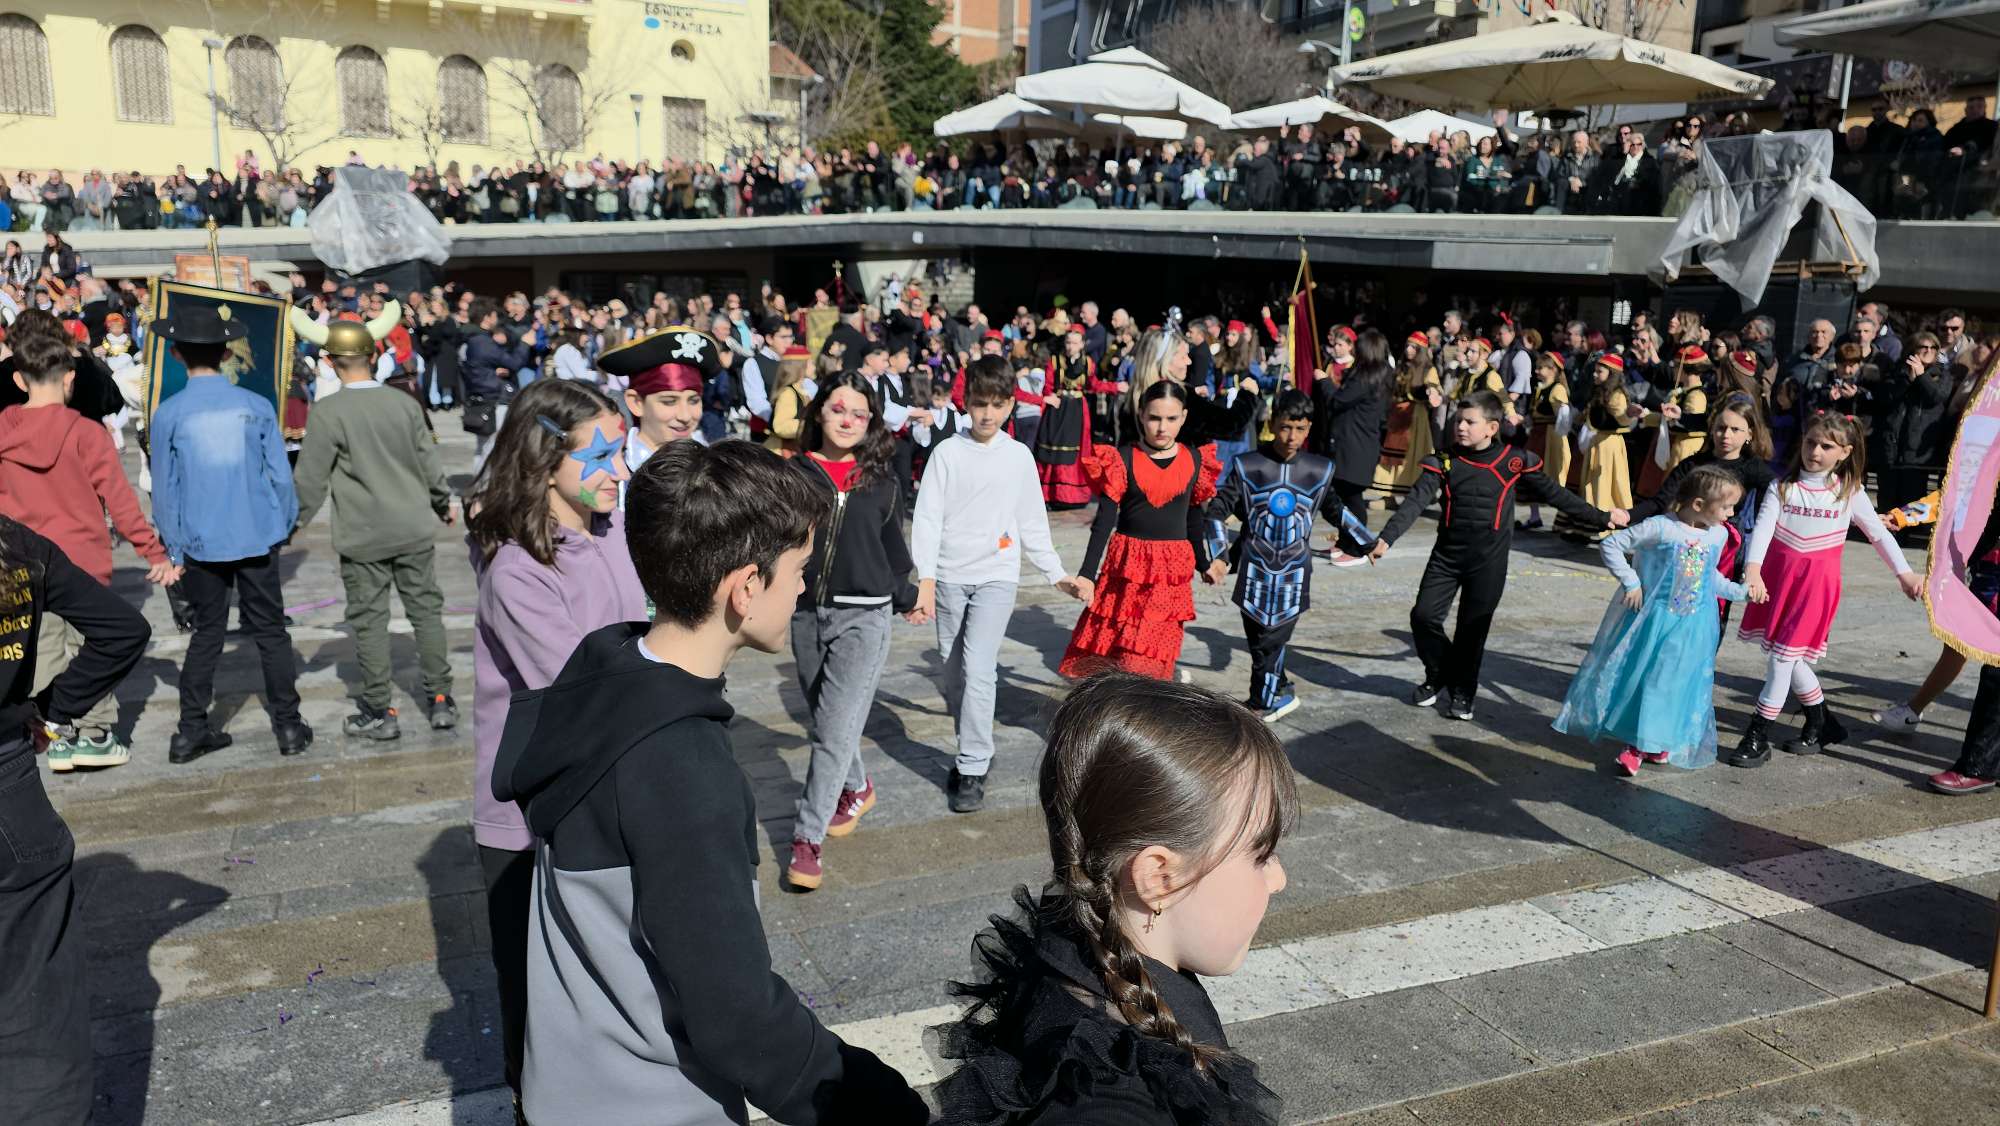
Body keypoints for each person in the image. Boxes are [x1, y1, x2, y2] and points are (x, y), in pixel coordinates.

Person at [490, 439, 926, 1124]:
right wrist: (880, 1104)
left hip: (564, 1088)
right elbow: (738, 1018)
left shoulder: (601, 675)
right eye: (799, 569)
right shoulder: (682, 768)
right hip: (652, 1106)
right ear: (745, 589)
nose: (804, 587)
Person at [933, 673, 1291, 1126]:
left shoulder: (1072, 951)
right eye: (1261, 854)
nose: (1279, 879)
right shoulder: (1108, 1103)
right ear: (1159, 877)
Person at [464, 379, 645, 1112]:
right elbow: (581, 692)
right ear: (544, 465)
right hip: (530, 819)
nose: (620, 470)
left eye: (621, 452)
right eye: (601, 456)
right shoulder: (517, 572)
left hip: (607, 789)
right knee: (535, 1000)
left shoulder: (613, 529)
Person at [0, 517, 149, 1121]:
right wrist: (47, 708)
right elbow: (122, 629)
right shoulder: (14, 546)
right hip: (11, 794)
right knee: (34, 1009)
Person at [1370, 391, 1625, 720]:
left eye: (1469, 422)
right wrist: (1386, 538)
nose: (1461, 427)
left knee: (1471, 631)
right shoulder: (1444, 460)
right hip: (1446, 557)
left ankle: (1463, 692)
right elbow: (1415, 501)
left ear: (1492, 428)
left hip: (1488, 562)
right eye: (1458, 421)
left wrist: (1601, 517)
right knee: (1423, 617)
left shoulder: (1512, 460)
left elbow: (1556, 495)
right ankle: (1438, 672)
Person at [910, 358, 1089, 815]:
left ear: (1011, 404)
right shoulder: (947, 453)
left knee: (978, 666)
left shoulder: (1018, 456)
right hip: (949, 576)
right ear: (965, 403)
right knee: (954, 672)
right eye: (979, 404)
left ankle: (972, 764)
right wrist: (925, 579)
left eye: (996, 405)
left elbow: (1032, 521)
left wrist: (1056, 573)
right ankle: (970, 740)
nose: (987, 414)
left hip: (997, 576)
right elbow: (927, 519)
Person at [0, 333, 175, 771]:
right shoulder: (86, 433)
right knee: (92, 643)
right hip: (82, 556)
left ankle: (52, 732)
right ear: (70, 378)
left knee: (41, 646)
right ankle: (94, 733)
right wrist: (152, 551)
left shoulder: (3, 428)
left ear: (19, 380)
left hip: (25, 562)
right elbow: (120, 500)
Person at [148, 304, 310, 764]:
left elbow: (165, 491)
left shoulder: (168, 413)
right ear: (226, 353)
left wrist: (174, 547)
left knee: (207, 634)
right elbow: (280, 477)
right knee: (271, 632)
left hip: (200, 541)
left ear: (176, 354)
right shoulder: (255, 406)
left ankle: (190, 731)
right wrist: (283, 524)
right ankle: (288, 725)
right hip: (256, 534)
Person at [291, 304, 457, 741]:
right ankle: (441, 699)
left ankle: (380, 710)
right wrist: (442, 503)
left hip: (363, 535)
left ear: (330, 361)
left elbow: (310, 480)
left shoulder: (328, 412)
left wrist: (292, 523)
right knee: (426, 614)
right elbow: (429, 462)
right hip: (413, 527)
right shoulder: (403, 403)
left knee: (369, 622)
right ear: (374, 354)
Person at [1724, 413, 1922, 768]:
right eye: (1810, 442)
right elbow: (1764, 529)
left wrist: (1904, 573)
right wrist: (1753, 569)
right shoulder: (1783, 486)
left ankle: (1758, 734)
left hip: (1815, 589)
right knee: (1791, 657)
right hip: (1778, 583)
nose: (1815, 451)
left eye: (1826, 446)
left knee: (1782, 659)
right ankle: (1822, 722)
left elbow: (1878, 535)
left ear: (1845, 452)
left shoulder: (1849, 491)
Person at [784, 373, 919, 891]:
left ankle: (807, 839)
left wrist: (908, 596)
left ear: (871, 422)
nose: (847, 420)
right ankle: (858, 786)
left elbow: (892, 550)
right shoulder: (794, 473)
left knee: (832, 732)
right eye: (838, 409)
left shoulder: (882, 481)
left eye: (858, 413)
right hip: (803, 613)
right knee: (827, 722)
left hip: (865, 617)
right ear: (819, 411)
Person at [1554, 466, 1757, 776]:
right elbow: (1611, 545)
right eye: (1727, 507)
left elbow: (1709, 576)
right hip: (1658, 621)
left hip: (1694, 626)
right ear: (1698, 504)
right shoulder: (1662, 528)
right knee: (1651, 680)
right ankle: (1637, 744)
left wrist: (1740, 592)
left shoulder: (1717, 534)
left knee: (1676, 682)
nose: (1732, 513)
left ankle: (1659, 740)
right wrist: (1631, 582)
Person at [1203, 390, 1375, 723]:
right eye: (1285, 427)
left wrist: (1368, 542)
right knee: (1259, 642)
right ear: (1272, 423)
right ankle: (1281, 689)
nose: (1292, 436)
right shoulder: (1248, 465)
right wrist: (1220, 556)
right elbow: (1218, 510)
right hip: (1254, 569)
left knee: (1270, 642)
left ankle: (1261, 704)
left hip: (1293, 572)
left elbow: (1335, 509)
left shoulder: (1318, 469)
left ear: (1309, 428)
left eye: (1300, 429)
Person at [1060, 380, 1221, 681]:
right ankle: (1114, 698)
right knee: (1113, 644)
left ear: (1183, 417)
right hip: (1126, 567)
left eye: (1171, 419)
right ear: (1141, 415)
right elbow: (1103, 522)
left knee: (1149, 653)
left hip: (1170, 572)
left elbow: (1193, 518)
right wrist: (1087, 574)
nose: (1162, 427)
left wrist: (1204, 563)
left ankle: (1146, 697)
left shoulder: (1195, 460)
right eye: (1154, 418)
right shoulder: (1121, 459)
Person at [1626, 392, 1776, 636]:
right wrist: (1627, 515)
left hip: (1725, 551)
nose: (1726, 435)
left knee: (1714, 610)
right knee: (1678, 606)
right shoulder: (1694, 464)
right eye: (1721, 428)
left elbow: (1772, 509)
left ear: (1749, 434)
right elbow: (1660, 501)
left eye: (1735, 430)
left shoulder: (1755, 469)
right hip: (1689, 546)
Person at [599, 326, 719, 506]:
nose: (685, 416)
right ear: (636, 403)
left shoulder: (716, 467)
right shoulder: (612, 473)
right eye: (669, 401)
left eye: (694, 401)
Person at [1311, 328, 1389, 560]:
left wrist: (1324, 381)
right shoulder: (1376, 374)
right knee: (1342, 496)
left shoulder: (1367, 377)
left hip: (1357, 444)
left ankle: (1358, 549)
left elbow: (1338, 400)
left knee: (1352, 499)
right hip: (1354, 441)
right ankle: (1345, 542)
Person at [1035, 325, 1121, 507]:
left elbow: (1093, 385)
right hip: (1058, 408)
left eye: (1074, 343)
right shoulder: (1055, 361)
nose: (1070, 346)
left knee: (1076, 450)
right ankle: (1051, 493)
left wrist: (1115, 387)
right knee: (1054, 448)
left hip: (1077, 409)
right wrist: (1048, 396)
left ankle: (1072, 496)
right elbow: (1048, 386)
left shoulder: (1088, 363)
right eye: (1068, 342)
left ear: (1082, 344)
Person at [1576, 353, 1637, 537]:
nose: (1595, 374)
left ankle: (1608, 522)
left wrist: (1630, 414)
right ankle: (1594, 521)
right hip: (1599, 441)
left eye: (1599, 371)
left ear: (1611, 374)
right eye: (1595, 371)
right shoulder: (1600, 392)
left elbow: (1622, 417)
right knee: (1594, 483)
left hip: (1610, 444)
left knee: (1607, 483)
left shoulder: (1616, 395)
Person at [1521, 351, 1574, 530]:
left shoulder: (1557, 389)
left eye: (1541, 368)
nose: (1536, 371)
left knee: (1554, 476)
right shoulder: (1540, 388)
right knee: (1531, 473)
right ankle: (1534, 516)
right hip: (1537, 435)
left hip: (1551, 438)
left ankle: (1562, 519)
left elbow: (1563, 416)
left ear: (1553, 370)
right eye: (1536, 368)